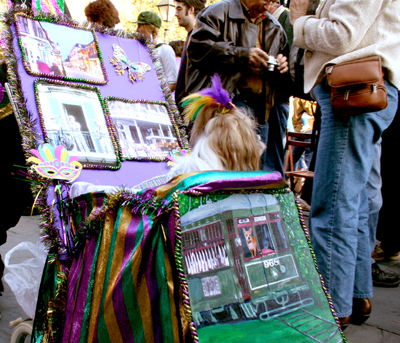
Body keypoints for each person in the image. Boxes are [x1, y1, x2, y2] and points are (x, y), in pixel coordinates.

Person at [290, 0, 400, 331]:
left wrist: (297, 21)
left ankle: (332, 309)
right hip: (368, 88)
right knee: (362, 198)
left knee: (334, 205)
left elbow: (341, 36)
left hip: (354, 91)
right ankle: (355, 295)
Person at [174, 0, 207, 109]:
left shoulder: (201, 37)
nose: (176, 14)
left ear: (191, 9)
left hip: (195, 104)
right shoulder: (192, 35)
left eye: (179, 9)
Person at [135, 11, 177, 93]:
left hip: (157, 102)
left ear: (150, 28)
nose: (137, 30)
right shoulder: (141, 49)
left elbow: (172, 83)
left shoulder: (165, 49)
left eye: (140, 26)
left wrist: (154, 95)